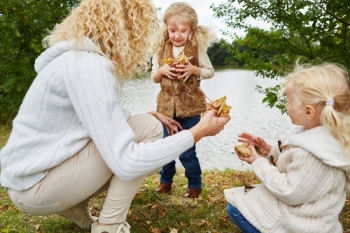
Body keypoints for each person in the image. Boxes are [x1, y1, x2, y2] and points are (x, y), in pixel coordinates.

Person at [0, 0, 230, 233]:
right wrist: (197, 133)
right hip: (36, 188)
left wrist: (148, 114)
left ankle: (73, 205)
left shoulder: (74, 58)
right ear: (128, 28)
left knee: (148, 124)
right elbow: (126, 162)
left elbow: (88, 118)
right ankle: (109, 225)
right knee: (148, 138)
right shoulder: (90, 66)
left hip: (28, 179)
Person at [224, 63, 350, 232]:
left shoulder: (313, 155)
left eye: (289, 102)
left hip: (301, 223)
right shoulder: (328, 138)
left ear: (309, 112)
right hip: (312, 215)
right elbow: (292, 158)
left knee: (235, 208)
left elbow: (289, 192)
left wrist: (257, 162)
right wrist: (266, 149)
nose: (286, 106)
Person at [151, 2, 216, 198]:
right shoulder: (160, 49)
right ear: (167, 29)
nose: (177, 35)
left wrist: (194, 70)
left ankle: (194, 185)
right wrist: (162, 71)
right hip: (166, 110)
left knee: (187, 151)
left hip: (190, 109)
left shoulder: (196, 49)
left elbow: (210, 71)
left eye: (182, 30)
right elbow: (154, 77)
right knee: (166, 149)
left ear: (191, 31)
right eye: (172, 30)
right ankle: (165, 182)